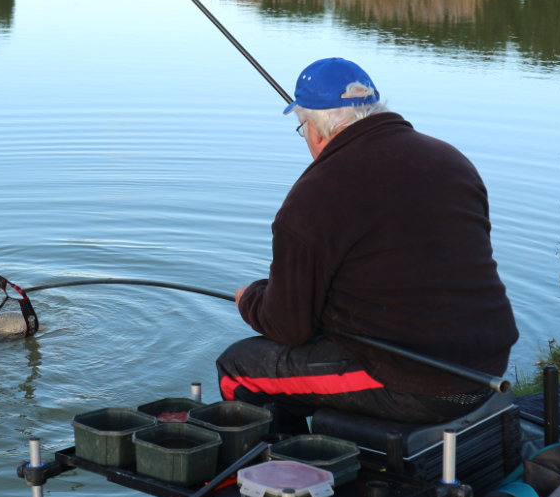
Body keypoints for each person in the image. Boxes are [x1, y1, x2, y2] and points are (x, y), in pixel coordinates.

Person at [216, 57, 519, 435]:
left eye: (302, 128)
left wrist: (250, 298)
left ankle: (285, 478)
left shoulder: (314, 196)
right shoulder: (450, 160)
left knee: (240, 367)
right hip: (487, 366)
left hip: (417, 385)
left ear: (315, 129)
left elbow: (287, 326)